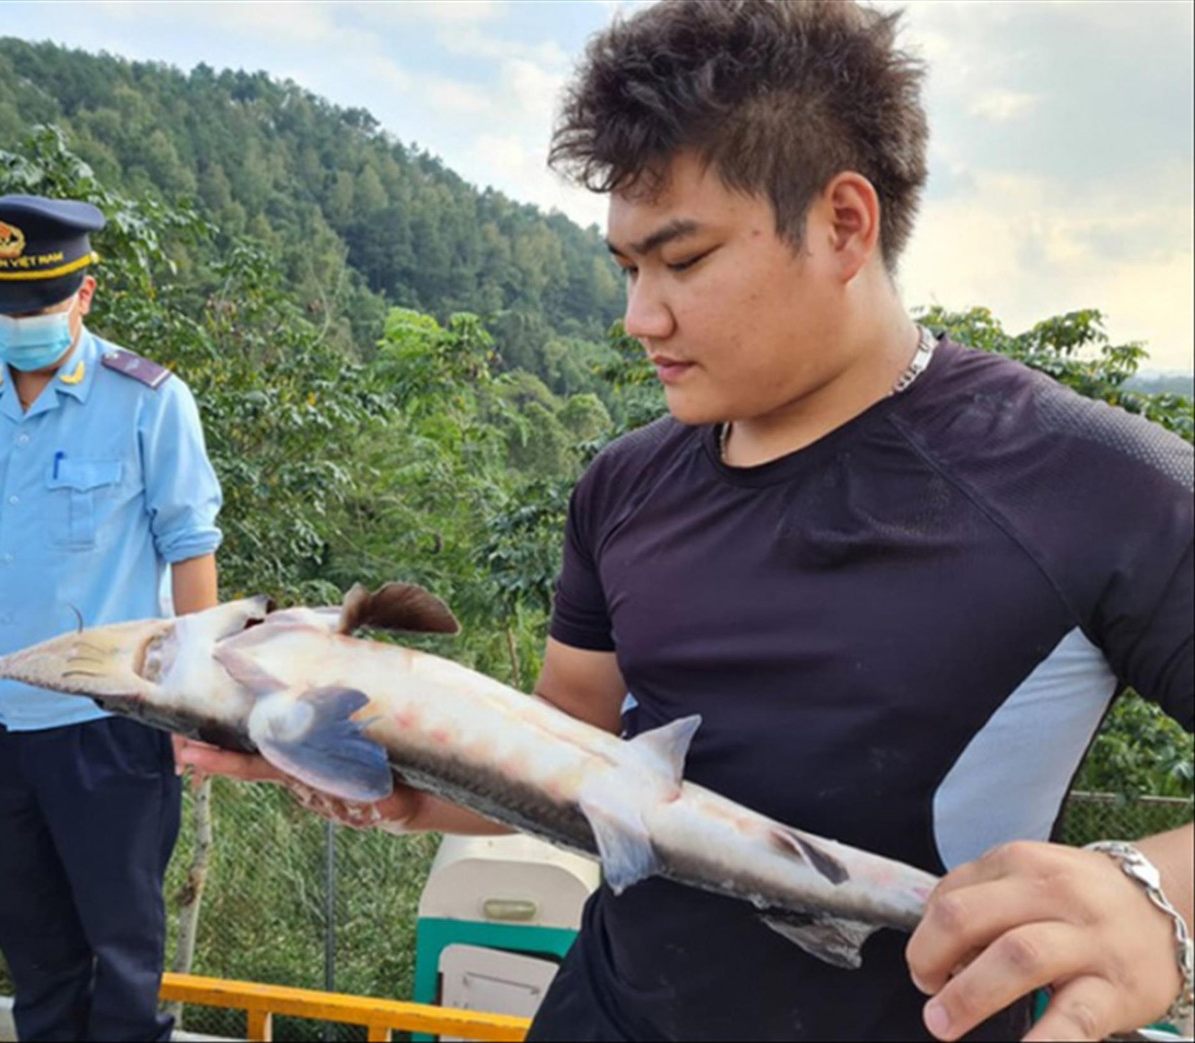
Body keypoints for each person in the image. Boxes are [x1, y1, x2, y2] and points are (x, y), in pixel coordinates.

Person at [176, 2, 1193, 1041]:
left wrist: (1157, 894)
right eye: (628, 268)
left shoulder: (1088, 482)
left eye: (684, 259)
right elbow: (567, 751)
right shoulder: (625, 483)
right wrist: (401, 784)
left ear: (844, 224)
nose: (639, 317)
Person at [0, 194, 223, 1042]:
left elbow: (190, 551)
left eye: (34, 304)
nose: (13, 322)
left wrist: (197, 703)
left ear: (84, 293)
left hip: (109, 726)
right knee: (35, 961)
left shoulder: (147, 401)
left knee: (123, 960)